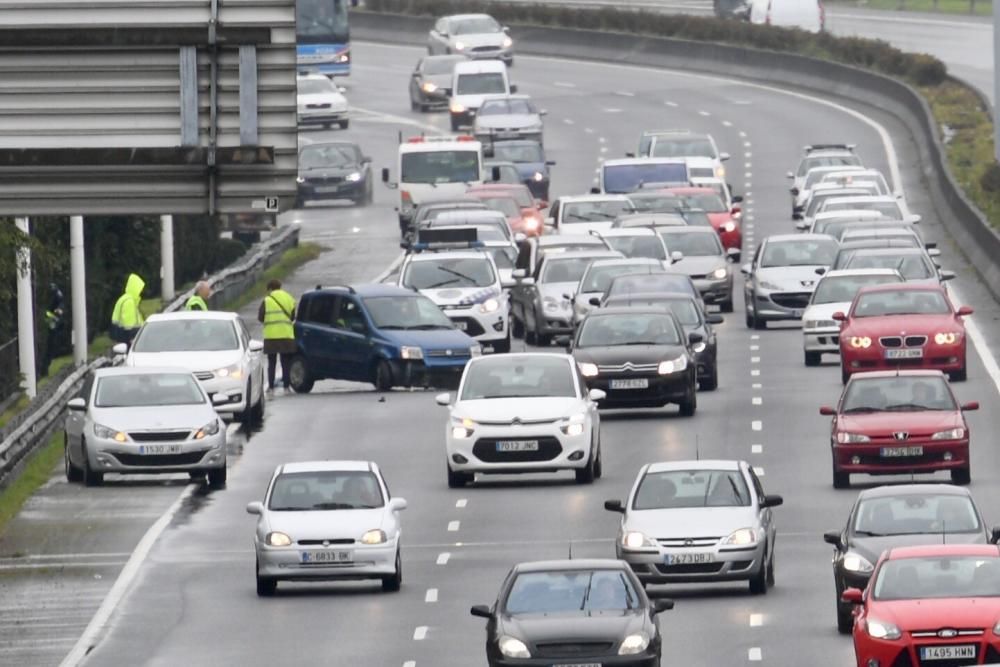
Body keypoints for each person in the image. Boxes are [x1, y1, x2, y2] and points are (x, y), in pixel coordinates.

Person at [258, 279, 296, 393]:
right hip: (286, 335)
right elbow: (293, 317)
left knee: (272, 362)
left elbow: (260, 317)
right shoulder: (289, 298)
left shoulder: (267, 300)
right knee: (286, 362)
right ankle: (286, 386)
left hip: (271, 336)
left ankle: (270, 386)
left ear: (270, 288)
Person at [110, 273, 145, 346]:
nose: (141, 292)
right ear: (135, 288)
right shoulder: (129, 302)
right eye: (140, 289)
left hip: (120, 336)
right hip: (127, 338)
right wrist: (132, 337)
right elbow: (129, 324)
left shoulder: (125, 298)